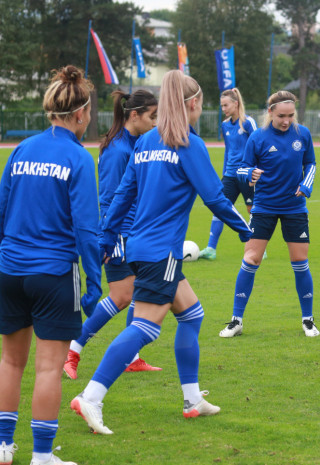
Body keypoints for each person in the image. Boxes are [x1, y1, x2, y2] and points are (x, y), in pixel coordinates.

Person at [70, 70, 252, 435]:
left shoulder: (147, 141)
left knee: (192, 315)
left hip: (138, 247)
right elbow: (215, 197)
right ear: (194, 103)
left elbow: (123, 196)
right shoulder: (189, 144)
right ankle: (91, 397)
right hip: (161, 253)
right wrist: (247, 229)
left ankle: (191, 399)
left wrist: (107, 238)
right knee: (144, 328)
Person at [0, 65, 100, 465]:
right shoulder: (78, 157)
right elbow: (86, 230)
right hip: (54, 273)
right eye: (89, 112)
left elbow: (2, 210)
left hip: (10, 270)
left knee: (9, 361)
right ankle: (42, 456)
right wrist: (95, 282)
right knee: (46, 369)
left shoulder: (21, 149)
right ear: (80, 114)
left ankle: (3, 446)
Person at [63, 89, 161, 380]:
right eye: (152, 117)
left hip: (137, 233)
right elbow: (109, 198)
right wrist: (111, 236)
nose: (156, 123)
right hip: (118, 233)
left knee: (137, 294)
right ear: (134, 115)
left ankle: (131, 356)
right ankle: (74, 347)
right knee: (122, 296)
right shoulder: (118, 150)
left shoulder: (135, 143)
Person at [220, 90, 318, 338]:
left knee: (300, 262)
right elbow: (241, 169)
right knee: (251, 258)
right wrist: (250, 174)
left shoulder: (302, 134)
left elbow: (311, 164)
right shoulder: (258, 137)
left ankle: (308, 320)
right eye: (282, 116)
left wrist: (306, 185)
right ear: (271, 112)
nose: (286, 121)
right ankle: (236, 320)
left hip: (295, 208)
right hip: (263, 207)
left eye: (291, 115)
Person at [199, 87, 257, 261]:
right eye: (221, 106)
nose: (223, 109)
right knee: (220, 208)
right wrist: (224, 172)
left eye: (226, 105)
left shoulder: (248, 123)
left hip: (246, 174)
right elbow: (228, 150)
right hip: (230, 175)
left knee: (251, 209)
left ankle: (255, 246)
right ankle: (211, 248)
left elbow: (259, 145)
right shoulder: (225, 125)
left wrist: (254, 171)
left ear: (236, 104)